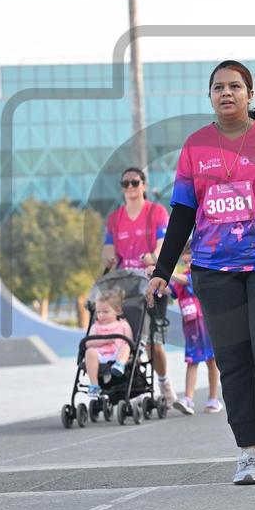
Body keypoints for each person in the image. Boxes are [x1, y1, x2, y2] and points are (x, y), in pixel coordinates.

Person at [146, 60, 255, 484]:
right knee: (234, 359)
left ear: (250, 94)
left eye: (235, 86)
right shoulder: (195, 145)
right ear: (210, 96)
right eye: (218, 87)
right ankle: (248, 451)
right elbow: (183, 212)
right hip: (213, 268)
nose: (226, 93)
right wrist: (163, 269)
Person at [102, 167, 177, 407]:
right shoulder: (114, 219)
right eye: (125, 184)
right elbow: (108, 249)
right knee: (124, 338)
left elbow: (163, 245)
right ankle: (133, 385)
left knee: (153, 343)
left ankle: (164, 384)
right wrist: (108, 259)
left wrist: (152, 257)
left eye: (135, 182)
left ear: (144, 185)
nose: (130, 187)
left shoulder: (157, 212)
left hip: (151, 283)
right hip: (124, 288)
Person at [169, 240, 223, 415]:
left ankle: (213, 398)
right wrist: (155, 278)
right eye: (184, 262)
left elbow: (186, 281)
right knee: (192, 361)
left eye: (190, 261)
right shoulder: (182, 276)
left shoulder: (201, 275)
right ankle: (188, 399)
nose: (187, 265)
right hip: (192, 330)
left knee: (212, 361)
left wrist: (167, 272)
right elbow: (171, 290)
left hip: (208, 326)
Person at [85, 288, 133, 397]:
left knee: (126, 346)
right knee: (89, 352)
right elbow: (88, 343)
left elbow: (130, 342)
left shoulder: (123, 325)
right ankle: (94, 385)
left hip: (117, 355)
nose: (101, 315)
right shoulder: (96, 326)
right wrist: (106, 340)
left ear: (117, 310)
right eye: (98, 312)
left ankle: (120, 365)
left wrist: (132, 355)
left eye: (105, 312)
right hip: (100, 355)